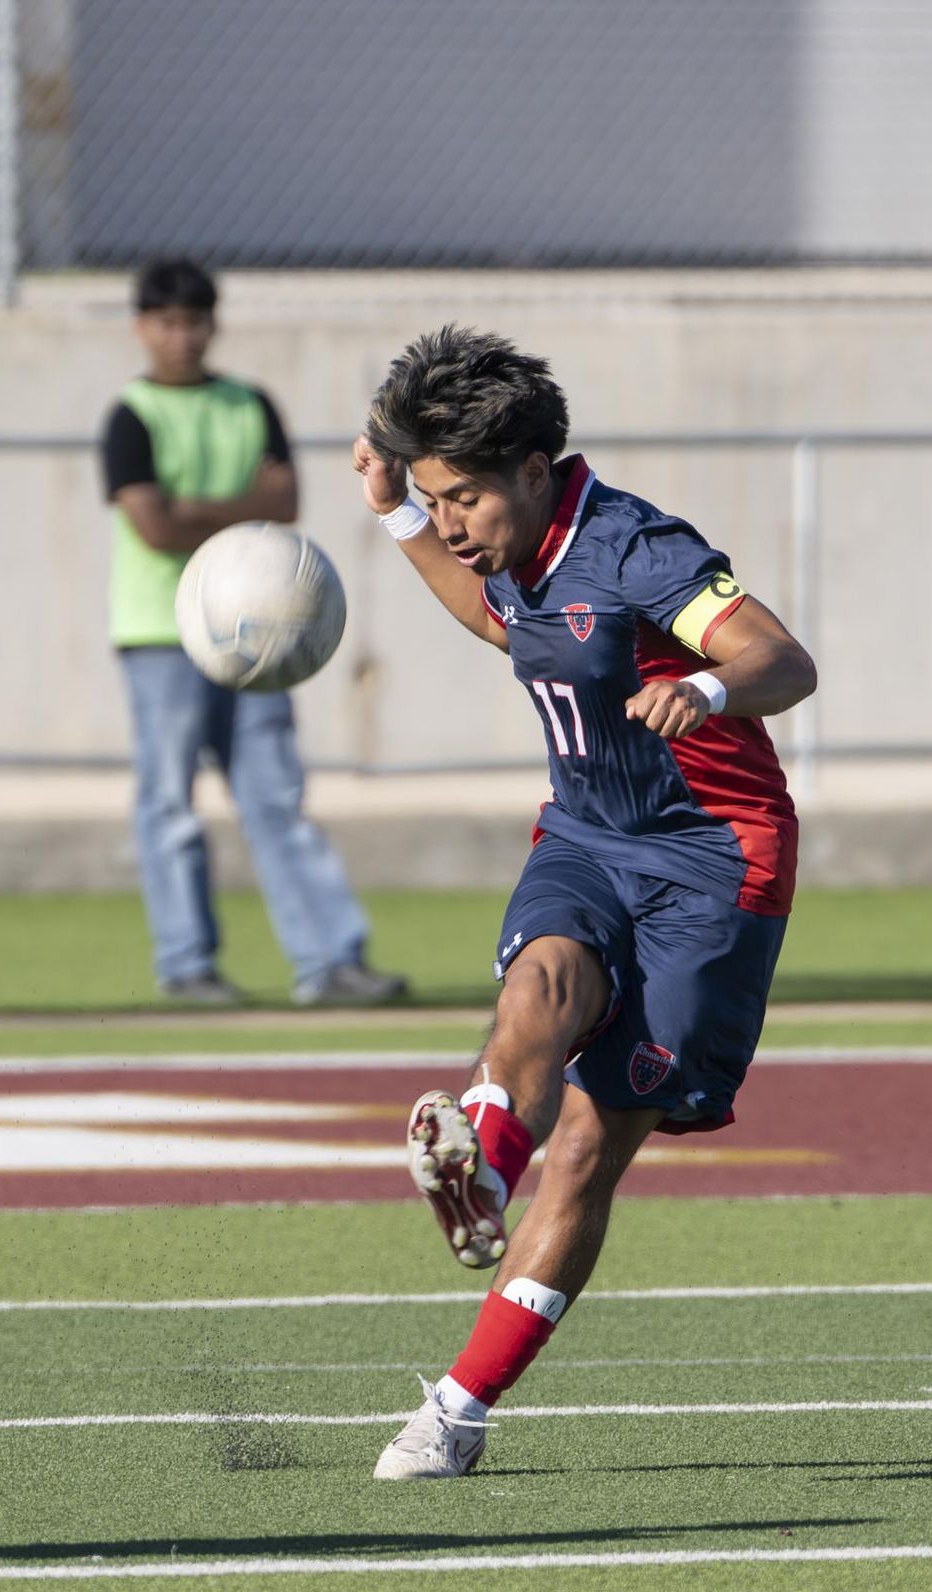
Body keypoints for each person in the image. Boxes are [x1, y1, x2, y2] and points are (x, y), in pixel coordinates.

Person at [353, 325, 816, 1479]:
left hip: (713, 865)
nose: (452, 522)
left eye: (460, 497)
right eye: (434, 499)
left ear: (530, 469)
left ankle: (460, 1408)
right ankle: (475, 1170)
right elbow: (497, 618)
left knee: (591, 1149)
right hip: (586, 838)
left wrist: (706, 687)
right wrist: (397, 517)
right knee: (537, 989)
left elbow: (785, 662)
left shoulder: (640, 548)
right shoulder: (520, 549)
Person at [101, 257, 405, 1007]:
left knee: (276, 796)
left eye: (195, 320)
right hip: (161, 633)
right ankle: (187, 964)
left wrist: (196, 507)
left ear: (213, 324)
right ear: (142, 327)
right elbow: (153, 524)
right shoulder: (131, 414)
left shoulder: (250, 403)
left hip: (263, 637)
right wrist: (243, 505)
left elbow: (288, 500)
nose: (182, 336)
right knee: (170, 803)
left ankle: (331, 962)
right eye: (167, 322)